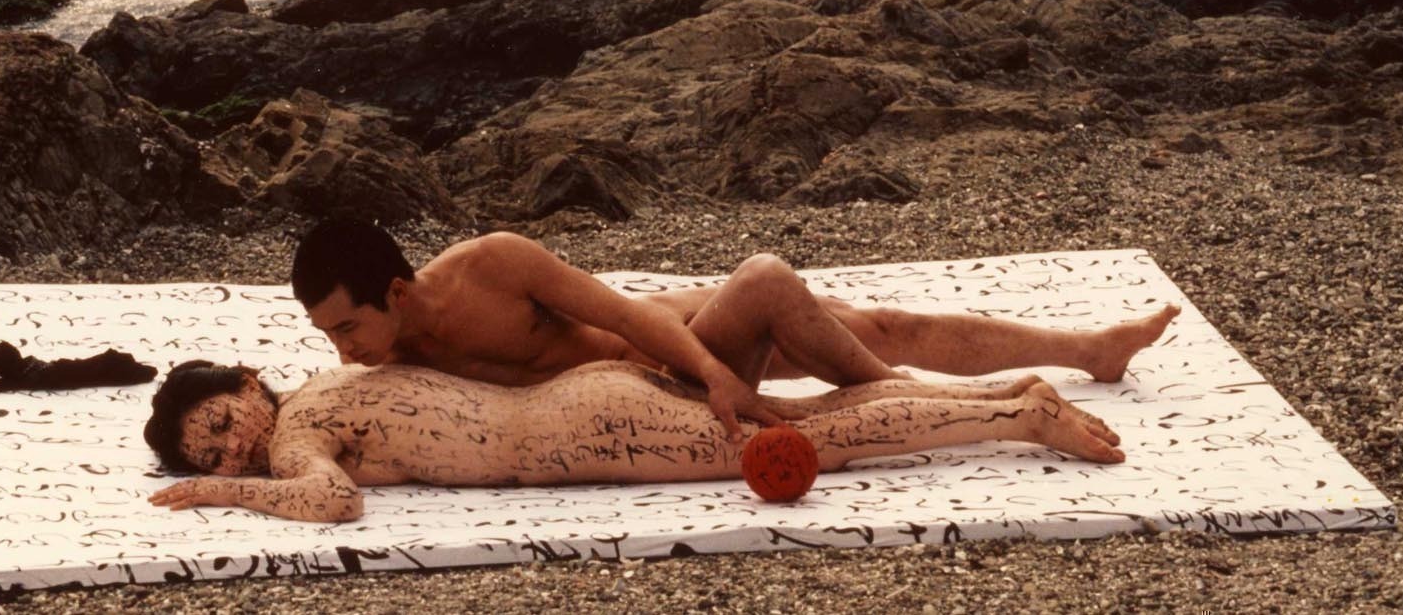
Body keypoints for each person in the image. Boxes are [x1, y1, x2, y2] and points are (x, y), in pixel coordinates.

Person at [290, 218, 1179, 439]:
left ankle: (1086, 351)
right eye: (329, 335)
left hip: (671, 342)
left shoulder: (494, 265)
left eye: (347, 326)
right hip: (651, 383)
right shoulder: (386, 360)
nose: (343, 348)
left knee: (851, 315)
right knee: (799, 302)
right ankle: (935, 397)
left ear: (397, 291)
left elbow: (625, 311)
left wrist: (717, 375)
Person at [145, 359, 1123, 523]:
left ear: (248, 385)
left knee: (818, 440)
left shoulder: (300, 429)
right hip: (586, 403)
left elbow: (333, 502)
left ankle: (1015, 420)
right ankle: (999, 394)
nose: (233, 452)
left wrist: (215, 495)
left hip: (589, 430)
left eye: (223, 423)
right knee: (806, 413)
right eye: (210, 456)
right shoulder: (325, 383)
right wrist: (229, 478)